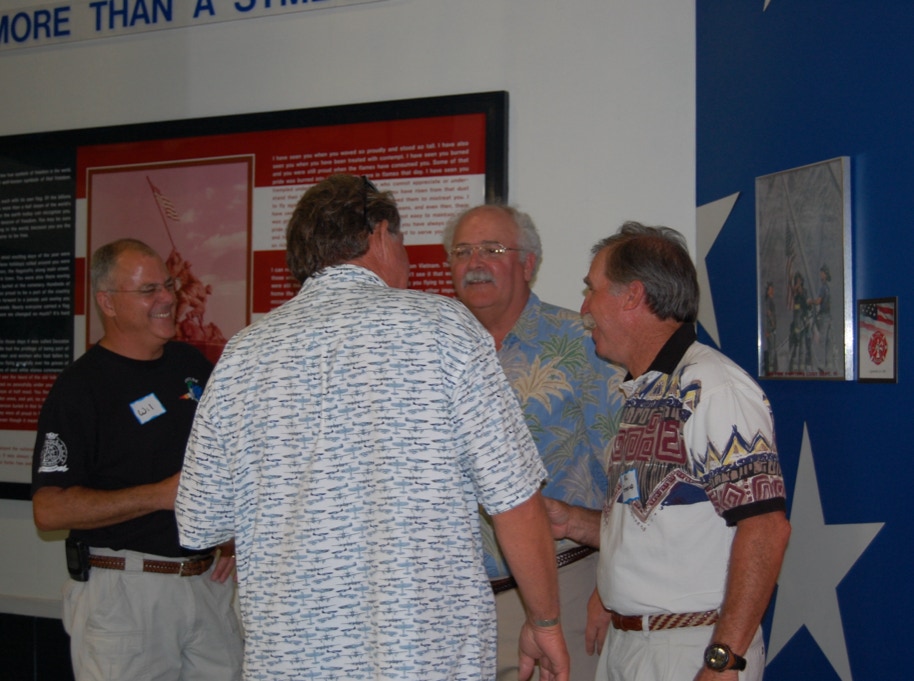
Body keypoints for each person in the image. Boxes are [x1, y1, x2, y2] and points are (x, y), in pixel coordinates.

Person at [174, 174, 569, 681]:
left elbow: (201, 524)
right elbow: (514, 501)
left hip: (292, 661)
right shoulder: (444, 329)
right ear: (380, 234)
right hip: (423, 658)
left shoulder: (243, 353)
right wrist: (544, 620)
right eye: (401, 240)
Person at [546, 222, 791, 681]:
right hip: (631, 647)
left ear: (633, 296)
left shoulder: (712, 388)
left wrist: (724, 660)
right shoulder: (645, 390)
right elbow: (659, 526)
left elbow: (765, 529)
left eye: (592, 289)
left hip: (691, 649)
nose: (584, 308)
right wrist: (571, 522)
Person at [31, 238, 243, 681]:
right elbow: (49, 510)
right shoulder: (80, 389)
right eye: (148, 290)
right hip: (127, 593)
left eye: (168, 285)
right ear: (107, 302)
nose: (168, 298)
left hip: (208, 585)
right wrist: (159, 496)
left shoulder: (191, 364)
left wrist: (231, 536)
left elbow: (232, 456)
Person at [443, 204, 625, 681]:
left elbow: (629, 477)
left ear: (528, 264)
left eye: (492, 249)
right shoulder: (433, 351)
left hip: (566, 590)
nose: (475, 263)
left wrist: (612, 587)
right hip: (453, 609)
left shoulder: (584, 343)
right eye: (462, 251)